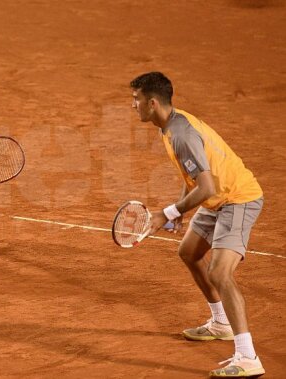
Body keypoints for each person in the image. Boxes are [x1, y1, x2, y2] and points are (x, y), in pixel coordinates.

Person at [130, 72, 265, 378]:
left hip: (237, 199)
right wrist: (181, 211)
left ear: (152, 103)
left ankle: (248, 356)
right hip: (216, 198)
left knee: (220, 272)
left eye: (136, 99)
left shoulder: (180, 134)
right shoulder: (172, 124)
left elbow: (206, 186)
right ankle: (221, 323)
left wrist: (168, 212)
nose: (132, 105)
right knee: (189, 252)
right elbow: (193, 177)